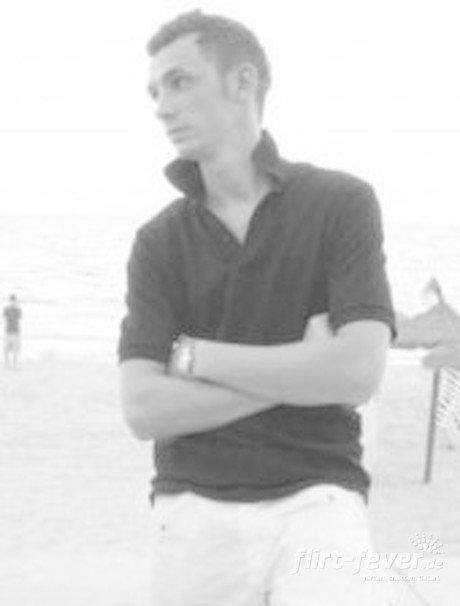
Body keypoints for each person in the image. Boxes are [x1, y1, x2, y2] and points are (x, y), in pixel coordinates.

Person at [118, 10, 397, 605]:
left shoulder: (341, 204)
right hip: (192, 502)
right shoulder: (158, 242)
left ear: (242, 82)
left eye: (179, 82)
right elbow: (143, 408)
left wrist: (196, 357)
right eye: (155, 92)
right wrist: (305, 370)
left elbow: (358, 372)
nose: (162, 107)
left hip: (318, 494)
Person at [3, 293, 22, 370]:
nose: (12, 302)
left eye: (14, 301)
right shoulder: (6, 309)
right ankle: (7, 364)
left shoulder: (18, 310)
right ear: (9, 301)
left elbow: (19, 317)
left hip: (16, 332)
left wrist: (11, 316)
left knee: (15, 349)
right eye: (11, 301)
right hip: (8, 331)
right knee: (6, 349)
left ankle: (15, 364)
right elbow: (4, 317)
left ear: (16, 301)